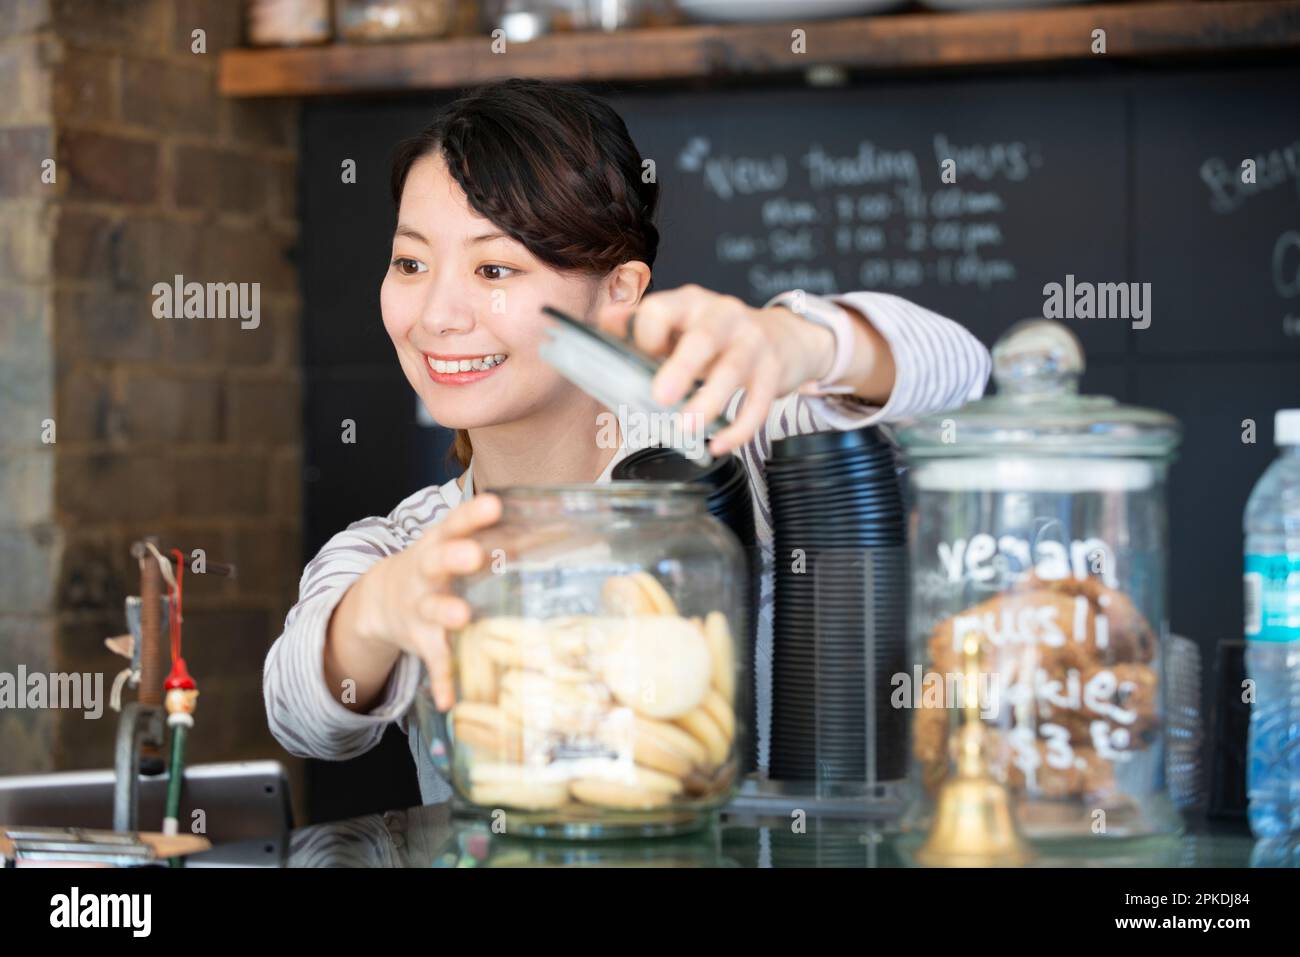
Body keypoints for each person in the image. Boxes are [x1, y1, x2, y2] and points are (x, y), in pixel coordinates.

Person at [263, 78, 991, 804]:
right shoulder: (406, 546)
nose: (438, 314)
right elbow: (304, 717)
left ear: (619, 290)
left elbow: (963, 377)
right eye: (411, 263)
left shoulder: (733, 443)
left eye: (494, 268)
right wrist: (382, 607)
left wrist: (800, 341)